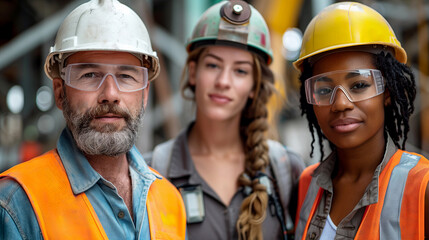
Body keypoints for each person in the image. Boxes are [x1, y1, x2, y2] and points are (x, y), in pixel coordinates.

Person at [0, 0, 186, 239]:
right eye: (89, 75)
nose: (110, 94)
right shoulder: (18, 204)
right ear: (59, 92)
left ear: (145, 93)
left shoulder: (170, 201)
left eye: (126, 76)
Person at [144, 1, 305, 239]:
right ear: (192, 72)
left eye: (240, 71)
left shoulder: (285, 170)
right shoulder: (152, 172)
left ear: (254, 85)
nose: (223, 81)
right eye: (212, 65)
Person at [293, 2, 429, 239]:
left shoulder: (422, 186)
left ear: (386, 92)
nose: (341, 104)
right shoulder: (307, 184)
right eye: (324, 90)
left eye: (358, 85)